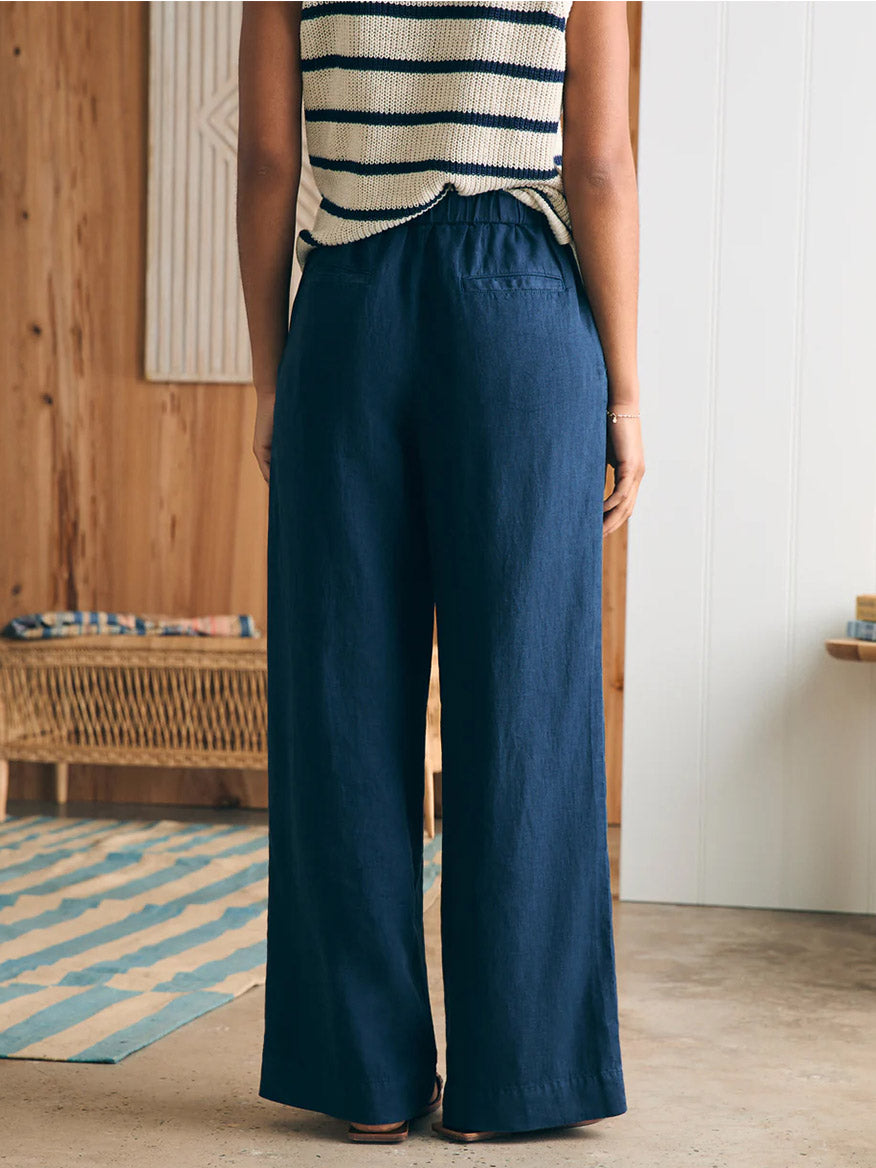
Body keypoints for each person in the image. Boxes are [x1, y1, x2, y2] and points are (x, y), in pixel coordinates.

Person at [236, 0, 643, 1145]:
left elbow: (271, 156)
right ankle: (515, 1084)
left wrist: (274, 370)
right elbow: (600, 165)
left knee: (340, 695)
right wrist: (623, 390)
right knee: (526, 701)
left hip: (351, 312)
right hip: (515, 308)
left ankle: (364, 1079)